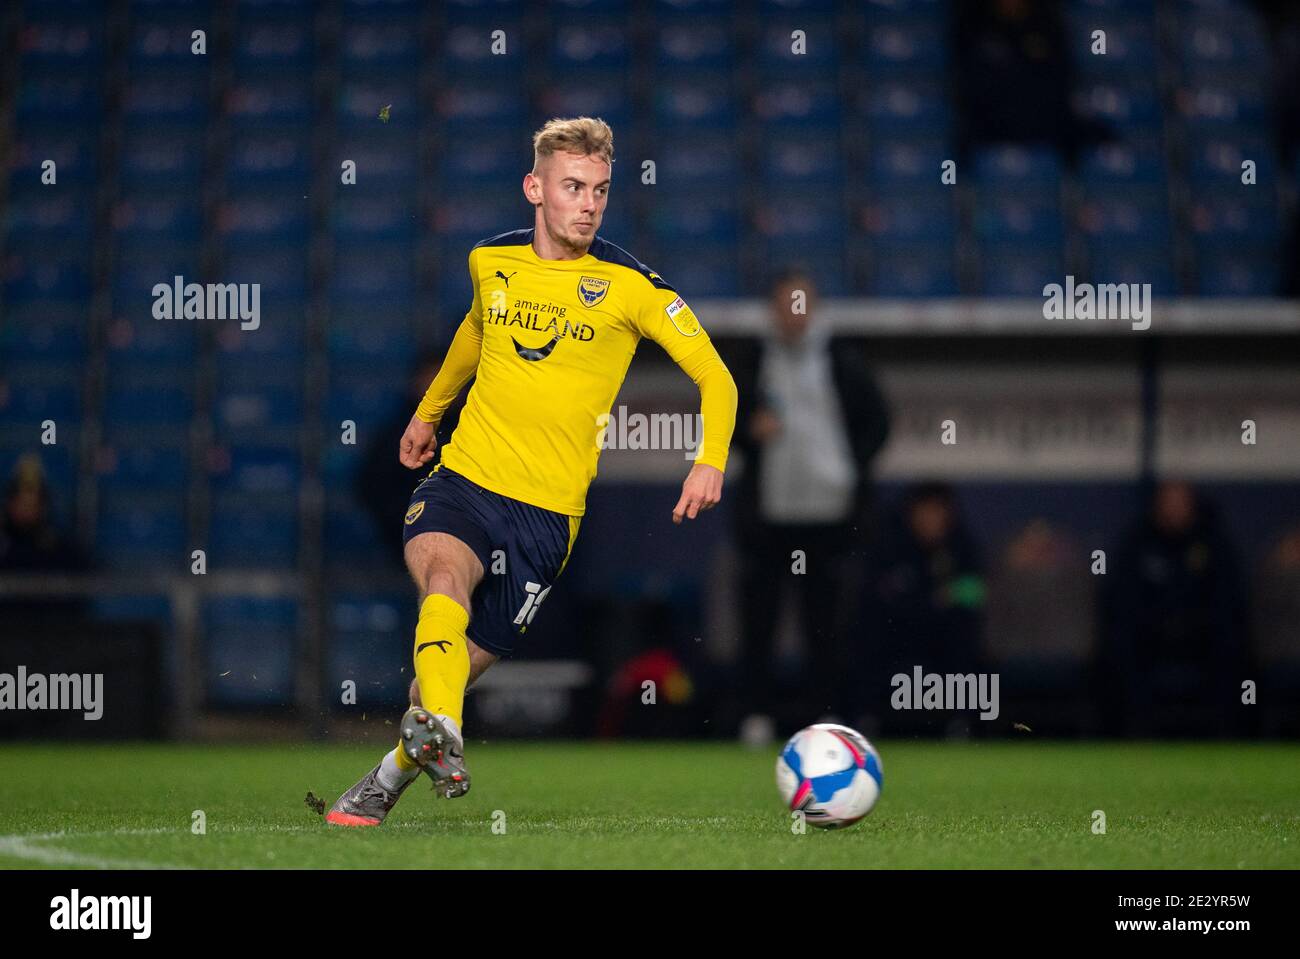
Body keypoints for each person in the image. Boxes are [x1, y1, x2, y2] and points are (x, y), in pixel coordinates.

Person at [327, 117, 738, 826]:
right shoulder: (491, 261)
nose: (588, 204)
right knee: (443, 577)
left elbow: (718, 379)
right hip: (465, 478)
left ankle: (399, 766)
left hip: (545, 518)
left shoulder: (631, 286)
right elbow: (475, 330)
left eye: (600, 191)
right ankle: (446, 734)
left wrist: (709, 460)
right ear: (535, 188)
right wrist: (429, 414)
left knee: (440, 672)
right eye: (574, 187)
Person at [721, 268, 890, 733]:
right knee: (760, 622)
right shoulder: (752, 361)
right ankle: (756, 716)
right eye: (785, 304)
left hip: (831, 519)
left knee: (829, 623)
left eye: (802, 303)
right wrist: (749, 435)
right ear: (773, 309)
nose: (794, 314)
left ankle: (830, 714)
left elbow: (877, 423)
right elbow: (722, 420)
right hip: (768, 519)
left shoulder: (844, 358)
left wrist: (848, 468)